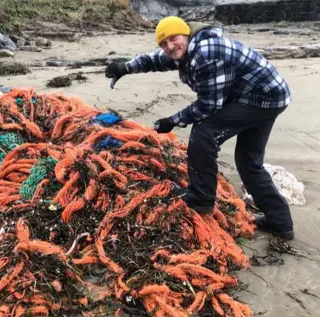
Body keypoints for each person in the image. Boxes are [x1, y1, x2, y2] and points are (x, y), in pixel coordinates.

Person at [105, 16, 294, 240]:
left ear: (185, 33)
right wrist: (124, 67)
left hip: (261, 98)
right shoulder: (187, 47)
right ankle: (280, 223)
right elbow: (155, 60)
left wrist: (172, 121)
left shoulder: (205, 53)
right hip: (267, 96)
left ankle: (201, 199)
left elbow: (209, 106)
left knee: (204, 132)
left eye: (173, 39)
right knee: (248, 162)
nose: (170, 46)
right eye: (164, 43)